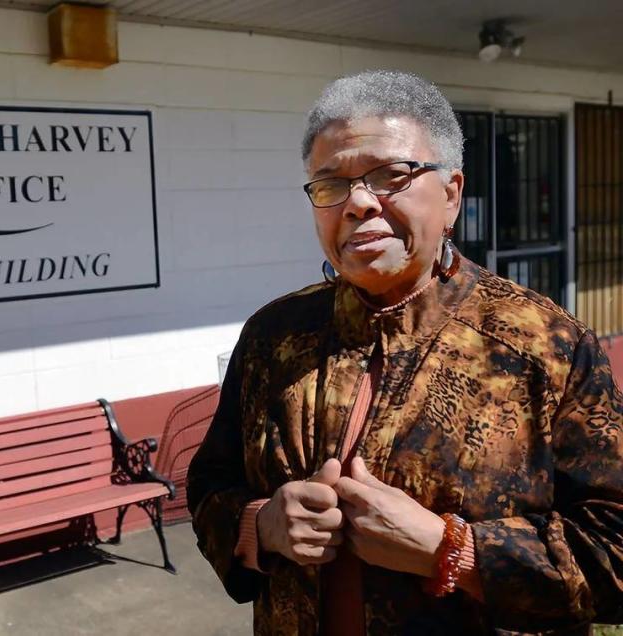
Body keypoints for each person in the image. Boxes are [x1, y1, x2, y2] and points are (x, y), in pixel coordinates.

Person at [186, 70, 623, 635]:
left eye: (391, 174)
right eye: (330, 184)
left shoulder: (546, 346)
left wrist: (451, 550)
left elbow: (614, 549)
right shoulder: (275, 337)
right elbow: (208, 486)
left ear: (451, 194)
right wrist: (260, 526)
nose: (358, 203)